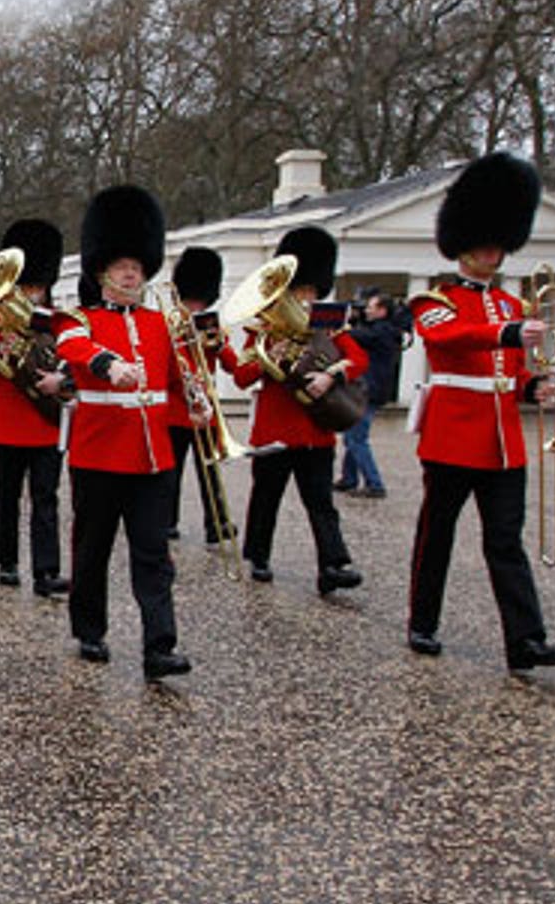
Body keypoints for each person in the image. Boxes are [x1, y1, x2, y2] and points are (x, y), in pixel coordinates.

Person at [406, 151, 555, 671]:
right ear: (462, 245)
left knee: (505, 543)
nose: (492, 252)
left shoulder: (511, 306)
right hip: (452, 438)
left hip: (503, 445)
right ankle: (422, 622)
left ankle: (526, 641)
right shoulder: (436, 302)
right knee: (437, 536)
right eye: (484, 243)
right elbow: (449, 338)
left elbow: (513, 370)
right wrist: (507, 333)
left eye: (499, 243)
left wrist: (534, 387)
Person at [54, 185, 195, 680]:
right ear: (102, 273)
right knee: (92, 550)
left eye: (136, 266)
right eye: (121, 266)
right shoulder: (80, 319)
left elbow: (178, 382)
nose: (131, 273)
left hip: (152, 457)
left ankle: (159, 647)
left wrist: (197, 406)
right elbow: (73, 347)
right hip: (98, 455)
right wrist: (107, 364)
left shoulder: (162, 324)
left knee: (154, 555)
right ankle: (90, 631)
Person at [222, 227, 367, 596]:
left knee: (321, 503)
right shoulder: (265, 329)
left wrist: (331, 375)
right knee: (266, 498)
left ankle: (333, 564)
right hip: (275, 430)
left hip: (316, 429)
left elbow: (358, 359)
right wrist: (269, 354)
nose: (305, 299)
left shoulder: (330, 326)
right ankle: (258, 555)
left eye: (311, 292)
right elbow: (241, 377)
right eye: (299, 292)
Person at [0, 218, 71, 595]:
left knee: (46, 498)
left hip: (46, 422)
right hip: (7, 423)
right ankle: (7, 562)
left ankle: (45, 571)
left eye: (37, 287)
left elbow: (74, 360)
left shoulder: (60, 321)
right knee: (7, 496)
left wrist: (60, 377)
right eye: (27, 287)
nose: (32, 294)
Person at [164, 246, 235, 547]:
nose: (195, 307)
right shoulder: (169, 326)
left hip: (205, 409)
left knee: (210, 470)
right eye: (191, 301)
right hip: (177, 410)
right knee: (173, 471)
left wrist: (218, 346)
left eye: (199, 302)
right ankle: (167, 521)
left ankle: (217, 522)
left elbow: (233, 365)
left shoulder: (213, 328)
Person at [335, 289, 404, 499]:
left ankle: (375, 484)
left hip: (368, 389)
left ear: (382, 311)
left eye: (370, 307)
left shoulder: (381, 331)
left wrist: (341, 324)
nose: (366, 310)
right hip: (372, 388)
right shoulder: (385, 329)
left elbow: (357, 336)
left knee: (356, 438)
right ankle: (349, 479)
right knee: (352, 436)